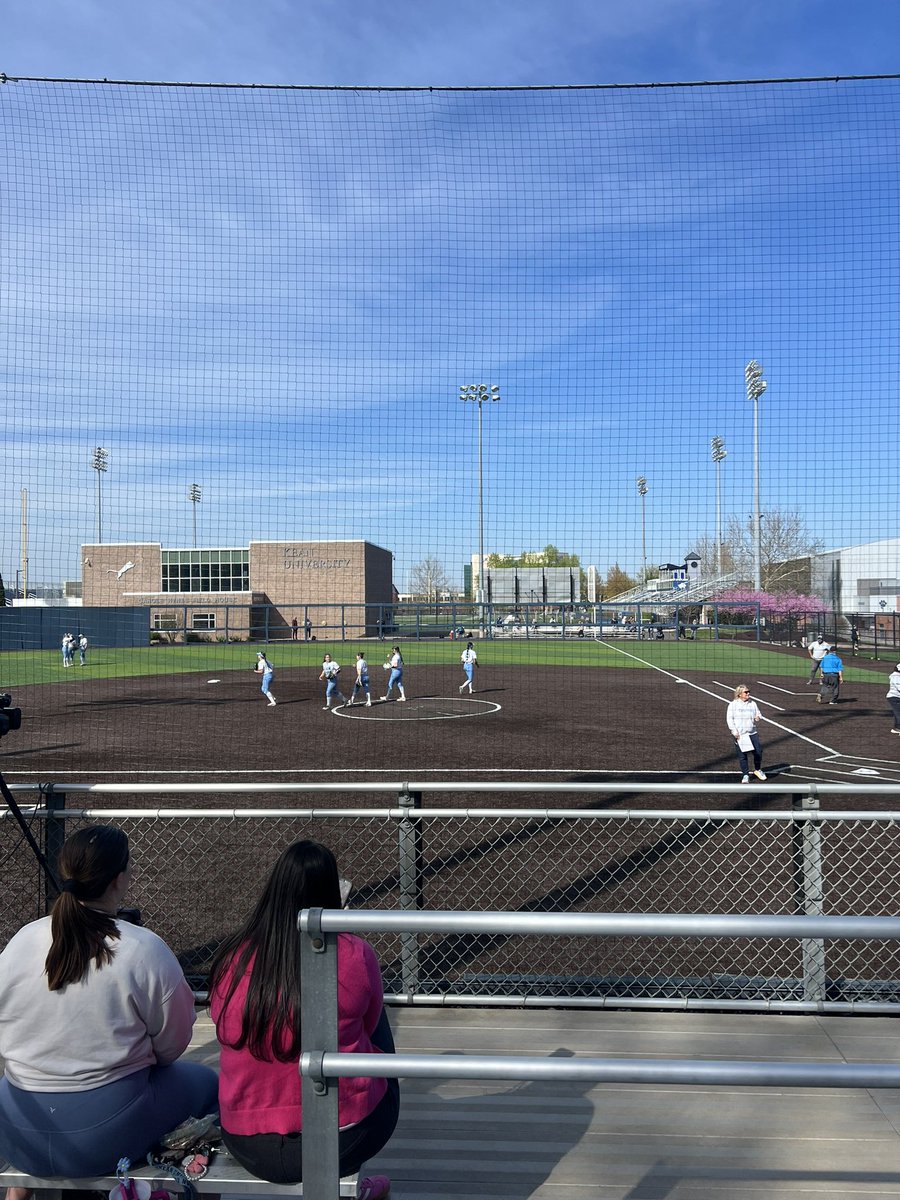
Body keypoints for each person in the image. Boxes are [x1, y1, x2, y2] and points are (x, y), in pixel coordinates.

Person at [0, 825, 218, 1182]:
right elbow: (173, 1045)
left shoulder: (22, 940)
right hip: (103, 1131)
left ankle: (19, 1190)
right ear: (119, 880)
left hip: (17, 1129)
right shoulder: (143, 948)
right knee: (208, 1085)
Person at [209, 840, 398, 1197]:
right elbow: (370, 1024)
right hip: (342, 1137)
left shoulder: (232, 957)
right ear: (331, 893)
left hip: (247, 1140)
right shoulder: (354, 952)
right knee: (374, 1025)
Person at [725, 684, 767, 784]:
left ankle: (757, 769)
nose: (748, 693)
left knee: (758, 752)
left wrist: (758, 716)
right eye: (746, 692)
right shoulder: (733, 705)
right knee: (743, 755)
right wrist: (734, 732)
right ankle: (745, 775)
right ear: (739, 694)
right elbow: (729, 719)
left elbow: (759, 713)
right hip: (740, 734)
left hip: (752, 732)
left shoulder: (753, 703)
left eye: (748, 692)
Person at [887, 663, 900, 735]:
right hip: (894, 697)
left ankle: (897, 728)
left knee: (897, 713)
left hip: (896, 697)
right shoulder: (895, 676)